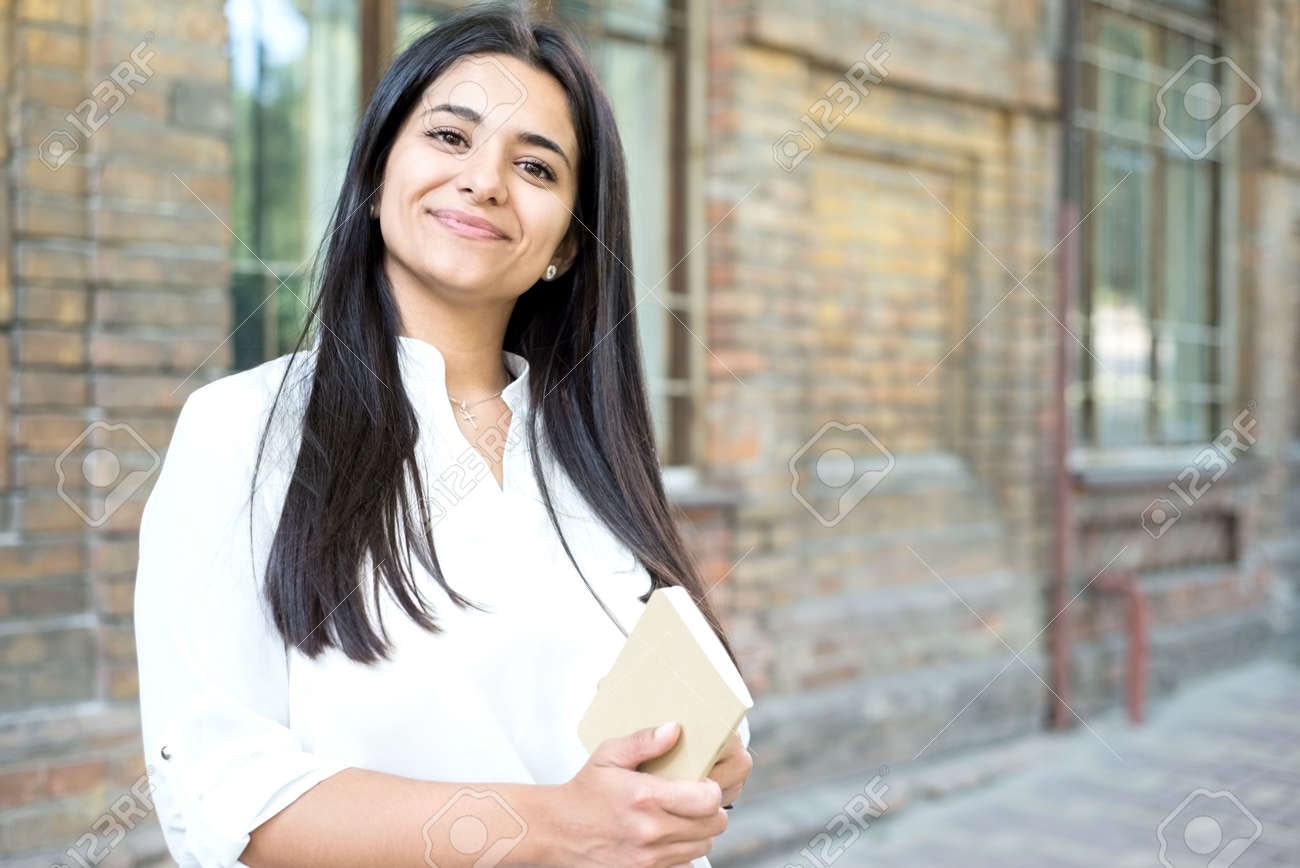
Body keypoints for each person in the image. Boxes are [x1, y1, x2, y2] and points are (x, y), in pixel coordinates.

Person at [133, 4, 753, 867]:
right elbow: (222, 792)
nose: (485, 181)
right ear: (376, 171)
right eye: (450, 137)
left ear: (570, 245)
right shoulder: (242, 431)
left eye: (535, 166)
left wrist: (694, 770)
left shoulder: (592, 452)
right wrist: (559, 827)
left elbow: (630, 751)